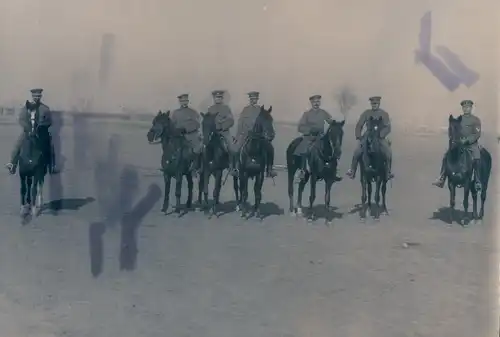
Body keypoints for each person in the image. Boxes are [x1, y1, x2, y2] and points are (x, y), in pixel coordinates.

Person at [432, 99, 482, 189]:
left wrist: (467, 140)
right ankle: (442, 178)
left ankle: (477, 181)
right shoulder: (459, 119)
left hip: (471, 144)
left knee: (476, 156)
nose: (466, 109)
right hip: (459, 143)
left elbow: (477, 134)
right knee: (446, 155)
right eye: (464, 107)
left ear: (471, 108)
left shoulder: (475, 120)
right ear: (462, 108)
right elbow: (454, 131)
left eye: (468, 107)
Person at [6, 88, 55, 175]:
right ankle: (12, 164)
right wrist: (28, 128)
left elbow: (49, 121)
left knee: (49, 145)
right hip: (28, 131)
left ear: (41, 96)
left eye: (38, 96)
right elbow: (21, 119)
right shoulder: (26, 107)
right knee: (19, 144)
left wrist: (41, 126)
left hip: (41, 132)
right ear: (32, 96)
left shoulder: (45, 109)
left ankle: (52, 166)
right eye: (35, 96)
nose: (37, 98)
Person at [294, 94, 342, 181]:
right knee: (304, 149)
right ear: (311, 103)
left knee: (331, 148)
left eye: (318, 102)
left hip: (320, 136)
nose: (316, 103)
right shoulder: (307, 114)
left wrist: (335, 124)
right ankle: (302, 171)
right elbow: (300, 127)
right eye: (314, 102)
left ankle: (333, 171)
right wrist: (309, 130)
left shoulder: (323, 112)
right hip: (309, 137)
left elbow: (330, 121)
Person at [346, 96, 393, 180]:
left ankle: (388, 172)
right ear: (371, 104)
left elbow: (388, 127)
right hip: (368, 135)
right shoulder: (366, 113)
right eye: (373, 104)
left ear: (379, 104)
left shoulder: (384, 114)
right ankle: (352, 171)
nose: (374, 105)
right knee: (357, 151)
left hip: (380, 136)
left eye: (376, 103)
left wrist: (382, 134)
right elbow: (359, 125)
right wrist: (358, 135)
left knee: (388, 152)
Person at [234, 91, 277, 177]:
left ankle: (269, 169)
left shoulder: (261, 110)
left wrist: (265, 134)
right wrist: (238, 135)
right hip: (247, 134)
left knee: (270, 148)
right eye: (252, 99)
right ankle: (236, 168)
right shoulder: (245, 110)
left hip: (259, 136)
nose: (254, 100)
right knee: (237, 148)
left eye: (255, 99)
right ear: (250, 99)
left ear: (257, 99)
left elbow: (265, 123)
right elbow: (240, 123)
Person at [171, 93, 203, 175]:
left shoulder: (193, 112)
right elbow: (172, 124)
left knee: (198, 148)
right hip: (180, 136)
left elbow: (197, 124)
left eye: (185, 100)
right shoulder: (175, 113)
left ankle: (195, 167)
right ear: (179, 102)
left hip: (191, 135)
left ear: (188, 101)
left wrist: (187, 129)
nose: (184, 102)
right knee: (171, 148)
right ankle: (169, 165)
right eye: (182, 101)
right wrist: (176, 131)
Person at [207, 90, 237, 173]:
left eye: (220, 97)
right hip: (213, 133)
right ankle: (201, 167)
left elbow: (231, 120)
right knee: (204, 146)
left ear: (222, 98)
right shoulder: (210, 109)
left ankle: (232, 167)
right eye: (216, 97)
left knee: (231, 148)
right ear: (214, 98)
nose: (218, 99)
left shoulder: (226, 108)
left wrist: (222, 126)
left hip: (224, 132)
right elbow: (207, 121)